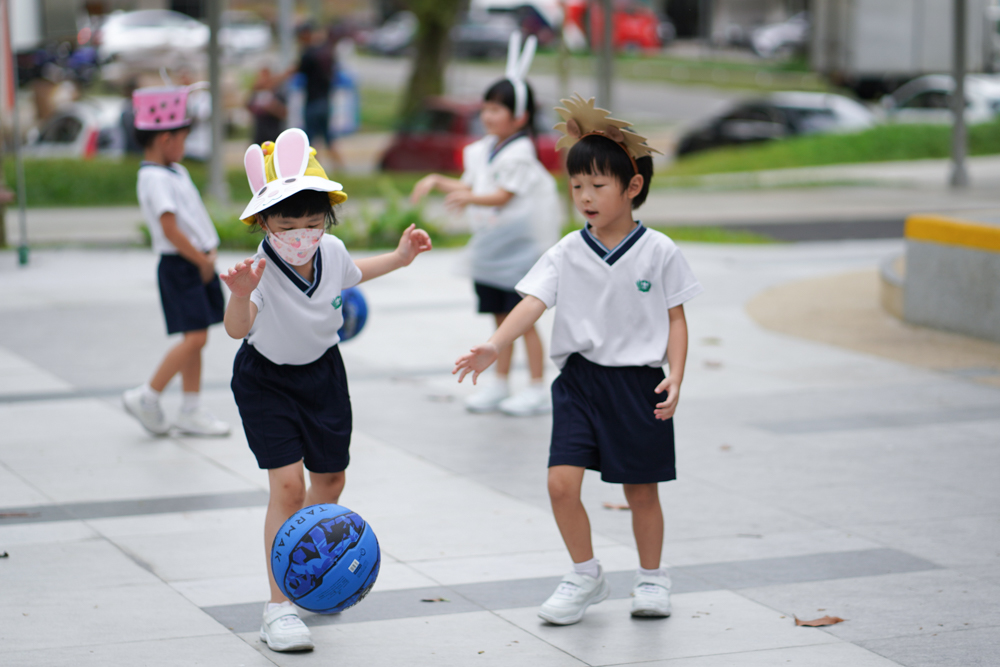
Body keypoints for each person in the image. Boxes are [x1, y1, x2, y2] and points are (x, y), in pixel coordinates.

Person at [453, 94, 703, 625]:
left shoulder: (659, 250)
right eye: (576, 186)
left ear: (632, 187)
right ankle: (585, 574)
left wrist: (677, 376)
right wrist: (496, 344)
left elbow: (676, 319)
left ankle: (652, 578)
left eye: (597, 186)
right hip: (579, 385)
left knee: (641, 491)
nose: (584, 197)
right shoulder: (567, 250)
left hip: (639, 385)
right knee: (560, 484)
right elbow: (532, 303)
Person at [220, 128, 432, 653]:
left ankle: (313, 570)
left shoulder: (330, 251)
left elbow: (353, 274)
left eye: (312, 223)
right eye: (287, 225)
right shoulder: (260, 270)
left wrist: (401, 257)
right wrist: (241, 295)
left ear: (326, 220)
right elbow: (236, 329)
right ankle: (278, 607)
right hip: (266, 381)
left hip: (323, 375)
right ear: (264, 222)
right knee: (288, 488)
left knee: (331, 480)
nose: (301, 235)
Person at [410, 34, 561, 416]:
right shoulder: (483, 151)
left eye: (497, 109)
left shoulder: (520, 153)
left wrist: (468, 198)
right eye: (486, 108)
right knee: (500, 320)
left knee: (523, 321)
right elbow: (475, 187)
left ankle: (537, 387)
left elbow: (502, 195)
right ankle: (500, 383)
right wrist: (438, 181)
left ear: (520, 117)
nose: (488, 116)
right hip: (496, 250)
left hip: (519, 252)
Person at [121, 85, 229, 437]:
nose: (185, 145)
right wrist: (201, 260)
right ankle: (148, 396)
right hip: (182, 265)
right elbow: (169, 228)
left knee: (197, 336)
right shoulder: (153, 178)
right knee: (194, 339)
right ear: (165, 138)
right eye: (182, 138)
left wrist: (206, 256)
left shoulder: (174, 171)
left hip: (194, 263)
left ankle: (190, 409)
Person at [293, 22, 344, 170]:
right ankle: (340, 168)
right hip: (325, 100)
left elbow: (298, 70)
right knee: (328, 138)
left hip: (313, 101)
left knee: (310, 141)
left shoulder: (308, 54)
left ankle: (315, 170)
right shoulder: (327, 52)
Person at [247, 64, 287, 145]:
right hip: (259, 136)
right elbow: (247, 106)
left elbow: (284, 113)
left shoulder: (278, 93)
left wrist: (271, 106)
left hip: (274, 135)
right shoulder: (256, 95)